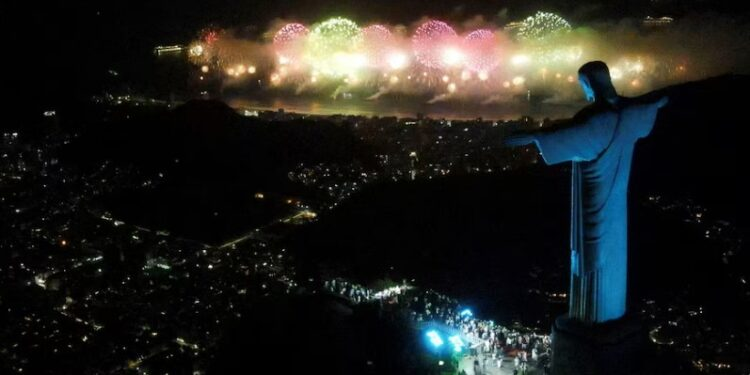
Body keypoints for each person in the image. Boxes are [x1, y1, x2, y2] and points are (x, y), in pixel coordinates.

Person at [503, 61, 668, 323]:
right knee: (613, 250)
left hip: (594, 196)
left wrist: (534, 136)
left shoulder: (596, 118)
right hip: (617, 200)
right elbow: (653, 101)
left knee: (591, 251)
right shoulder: (630, 111)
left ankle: (593, 317)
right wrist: (659, 100)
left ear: (590, 84)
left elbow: (569, 135)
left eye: (583, 85)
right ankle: (610, 311)